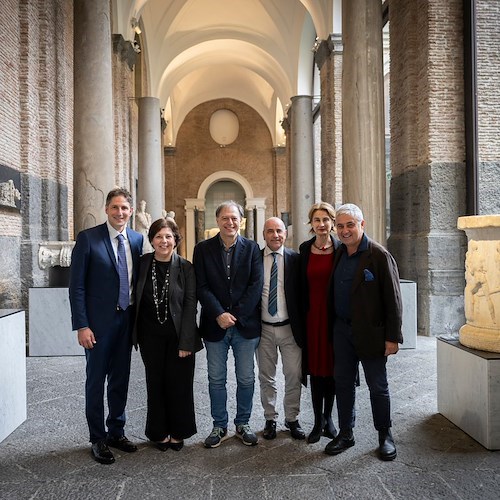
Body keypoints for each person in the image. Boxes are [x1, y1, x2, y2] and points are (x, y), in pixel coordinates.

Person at [69, 188, 143, 464]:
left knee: (121, 379)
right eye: (115, 207)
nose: (119, 212)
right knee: (96, 380)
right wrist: (82, 325)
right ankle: (97, 438)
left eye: (124, 208)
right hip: (98, 325)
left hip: (126, 320)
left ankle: (116, 431)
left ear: (131, 211)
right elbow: (76, 287)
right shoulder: (88, 239)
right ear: (106, 209)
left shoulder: (136, 239)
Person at [324, 203, 403, 461]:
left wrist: (393, 338)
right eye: (341, 226)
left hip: (372, 333)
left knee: (378, 386)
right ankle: (346, 433)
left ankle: (385, 435)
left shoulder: (378, 255)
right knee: (343, 384)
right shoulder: (339, 253)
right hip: (342, 331)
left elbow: (393, 299)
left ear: (362, 225)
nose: (345, 231)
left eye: (350, 225)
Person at [194, 200, 263, 448]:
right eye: (225, 218)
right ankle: (219, 425)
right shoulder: (202, 249)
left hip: (245, 326)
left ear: (241, 221)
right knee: (216, 378)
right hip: (215, 326)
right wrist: (219, 314)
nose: (230, 222)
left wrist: (235, 315)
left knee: (246, 378)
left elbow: (255, 286)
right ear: (218, 220)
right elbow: (201, 286)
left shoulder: (253, 249)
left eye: (234, 218)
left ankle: (243, 423)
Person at [132, 217, 203, 452]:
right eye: (159, 236)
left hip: (178, 336)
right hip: (150, 336)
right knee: (156, 383)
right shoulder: (142, 263)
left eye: (168, 236)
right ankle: (158, 432)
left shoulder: (186, 267)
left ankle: (179, 431)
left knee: (179, 384)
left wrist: (186, 342)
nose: (164, 241)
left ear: (175, 240)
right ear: (152, 240)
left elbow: (191, 305)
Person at [257, 217, 305, 440]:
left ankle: (292, 418)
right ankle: (270, 418)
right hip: (263, 329)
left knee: (294, 375)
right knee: (266, 376)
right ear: (264, 234)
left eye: (279, 231)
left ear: (285, 234)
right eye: (270, 231)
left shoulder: (296, 259)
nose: (275, 235)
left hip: (289, 328)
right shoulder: (254, 259)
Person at [299, 201, 339, 444]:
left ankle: (329, 419)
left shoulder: (342, 250)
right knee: (315, 372)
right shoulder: (304, 250)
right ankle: (316, 421)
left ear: (332, 223)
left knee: (332, 371)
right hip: (311, 319)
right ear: (311, 224)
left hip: (334, 319)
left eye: (326, 219)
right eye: (317, 220)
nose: (322, 224)